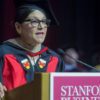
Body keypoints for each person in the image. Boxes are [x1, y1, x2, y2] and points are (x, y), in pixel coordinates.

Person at [0, 3, 64, 98]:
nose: (41, 26)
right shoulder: (4, 53)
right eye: (34, 21)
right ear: (18, 27)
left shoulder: (54, 58)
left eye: (44, 21)